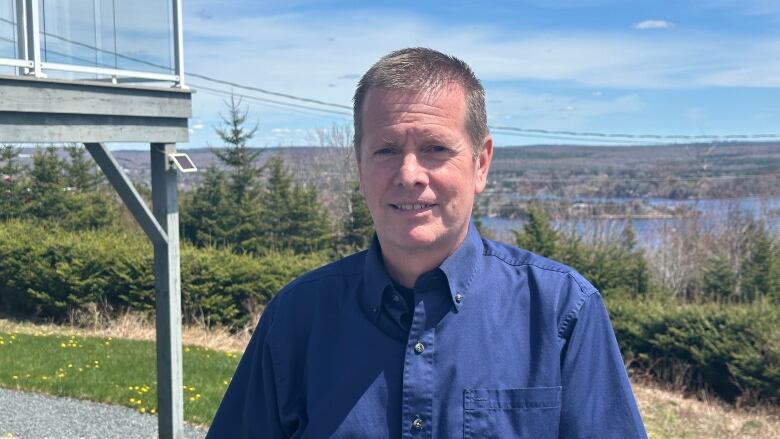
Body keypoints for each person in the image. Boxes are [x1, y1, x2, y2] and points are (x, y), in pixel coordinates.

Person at [207, 47, 647, 438]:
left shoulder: (562, 312)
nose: (409, 174)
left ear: (481, 164)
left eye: (436, 148)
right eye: (386, 150)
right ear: (359, 166)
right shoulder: (298, 318)